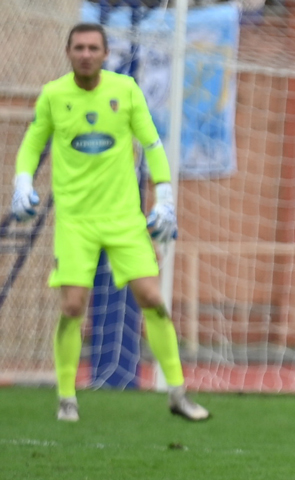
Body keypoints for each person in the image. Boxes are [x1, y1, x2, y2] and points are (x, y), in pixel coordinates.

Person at [11, 23, 209, 423]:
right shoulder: (53, 95)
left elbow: (152, 143)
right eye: (79, 48)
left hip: (124, 219)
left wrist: (165, 195)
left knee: (151, 297)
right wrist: (22, 181)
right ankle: (66, 397)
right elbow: (32, 143)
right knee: (72, 306)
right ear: (68, 53)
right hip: (75, 221)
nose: (86, 54)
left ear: (105, 54)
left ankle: (177, 392)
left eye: (93, 48)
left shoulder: (126, 91)